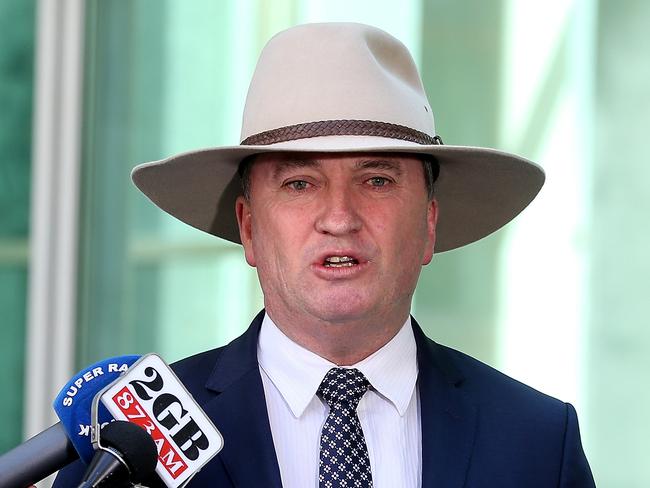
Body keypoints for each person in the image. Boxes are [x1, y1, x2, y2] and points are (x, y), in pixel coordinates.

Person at [55, 22, 595, 487]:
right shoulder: (129, 443)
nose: (339, 217)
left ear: (429, 224)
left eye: (378, 180)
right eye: (299, 184)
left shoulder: (538, 444)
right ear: (248, 228)